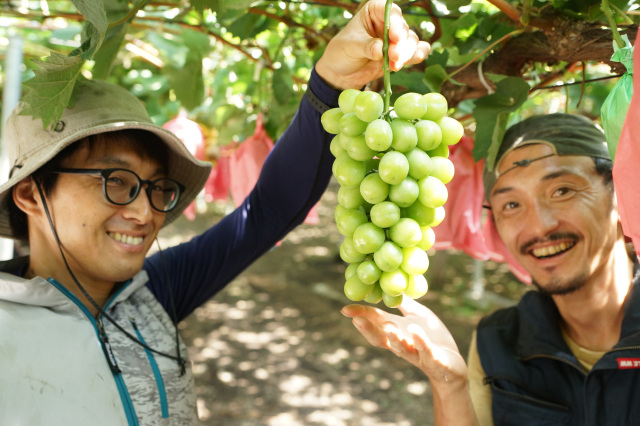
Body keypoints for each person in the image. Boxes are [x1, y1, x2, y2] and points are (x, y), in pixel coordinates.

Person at [0, 2, 430, 424]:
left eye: (158, 187)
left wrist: (330, 81)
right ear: (31, 195)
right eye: (115, 180)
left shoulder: (155, 290)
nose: (144, 211)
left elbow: (268, 212)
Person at [342, 113, 640, 425]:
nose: (540, 226)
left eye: (562, 191)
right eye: (511, 205)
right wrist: (449, 385)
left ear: (622, 194)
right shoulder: (494, 344)